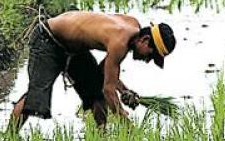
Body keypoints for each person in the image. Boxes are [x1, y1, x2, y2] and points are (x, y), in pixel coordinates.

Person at [9, 11, 176, 131]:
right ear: (145, 40)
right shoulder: (120, 42)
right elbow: (109, 89)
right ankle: (9, 140)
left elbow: (106, 71)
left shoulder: (132, 25)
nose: (147, 60)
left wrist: (125, 91)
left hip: (73, 48)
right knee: (36, 97)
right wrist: (126, 123)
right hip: (49, 40)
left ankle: (100, 139)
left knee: (96, 92)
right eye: (150, 55)